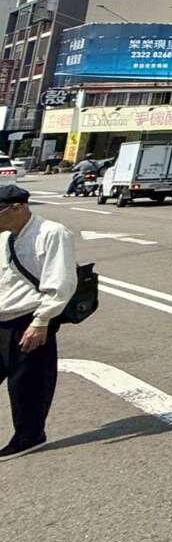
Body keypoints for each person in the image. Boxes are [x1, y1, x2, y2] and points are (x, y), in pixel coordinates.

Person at [0, 182, 76, 458]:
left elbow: (61, 282)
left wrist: (41, 321)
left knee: (27, 385)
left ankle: (30, 437)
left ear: (18, 207)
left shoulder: (52, 233)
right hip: (3, 318)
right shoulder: (4, 236)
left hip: (29, 320)